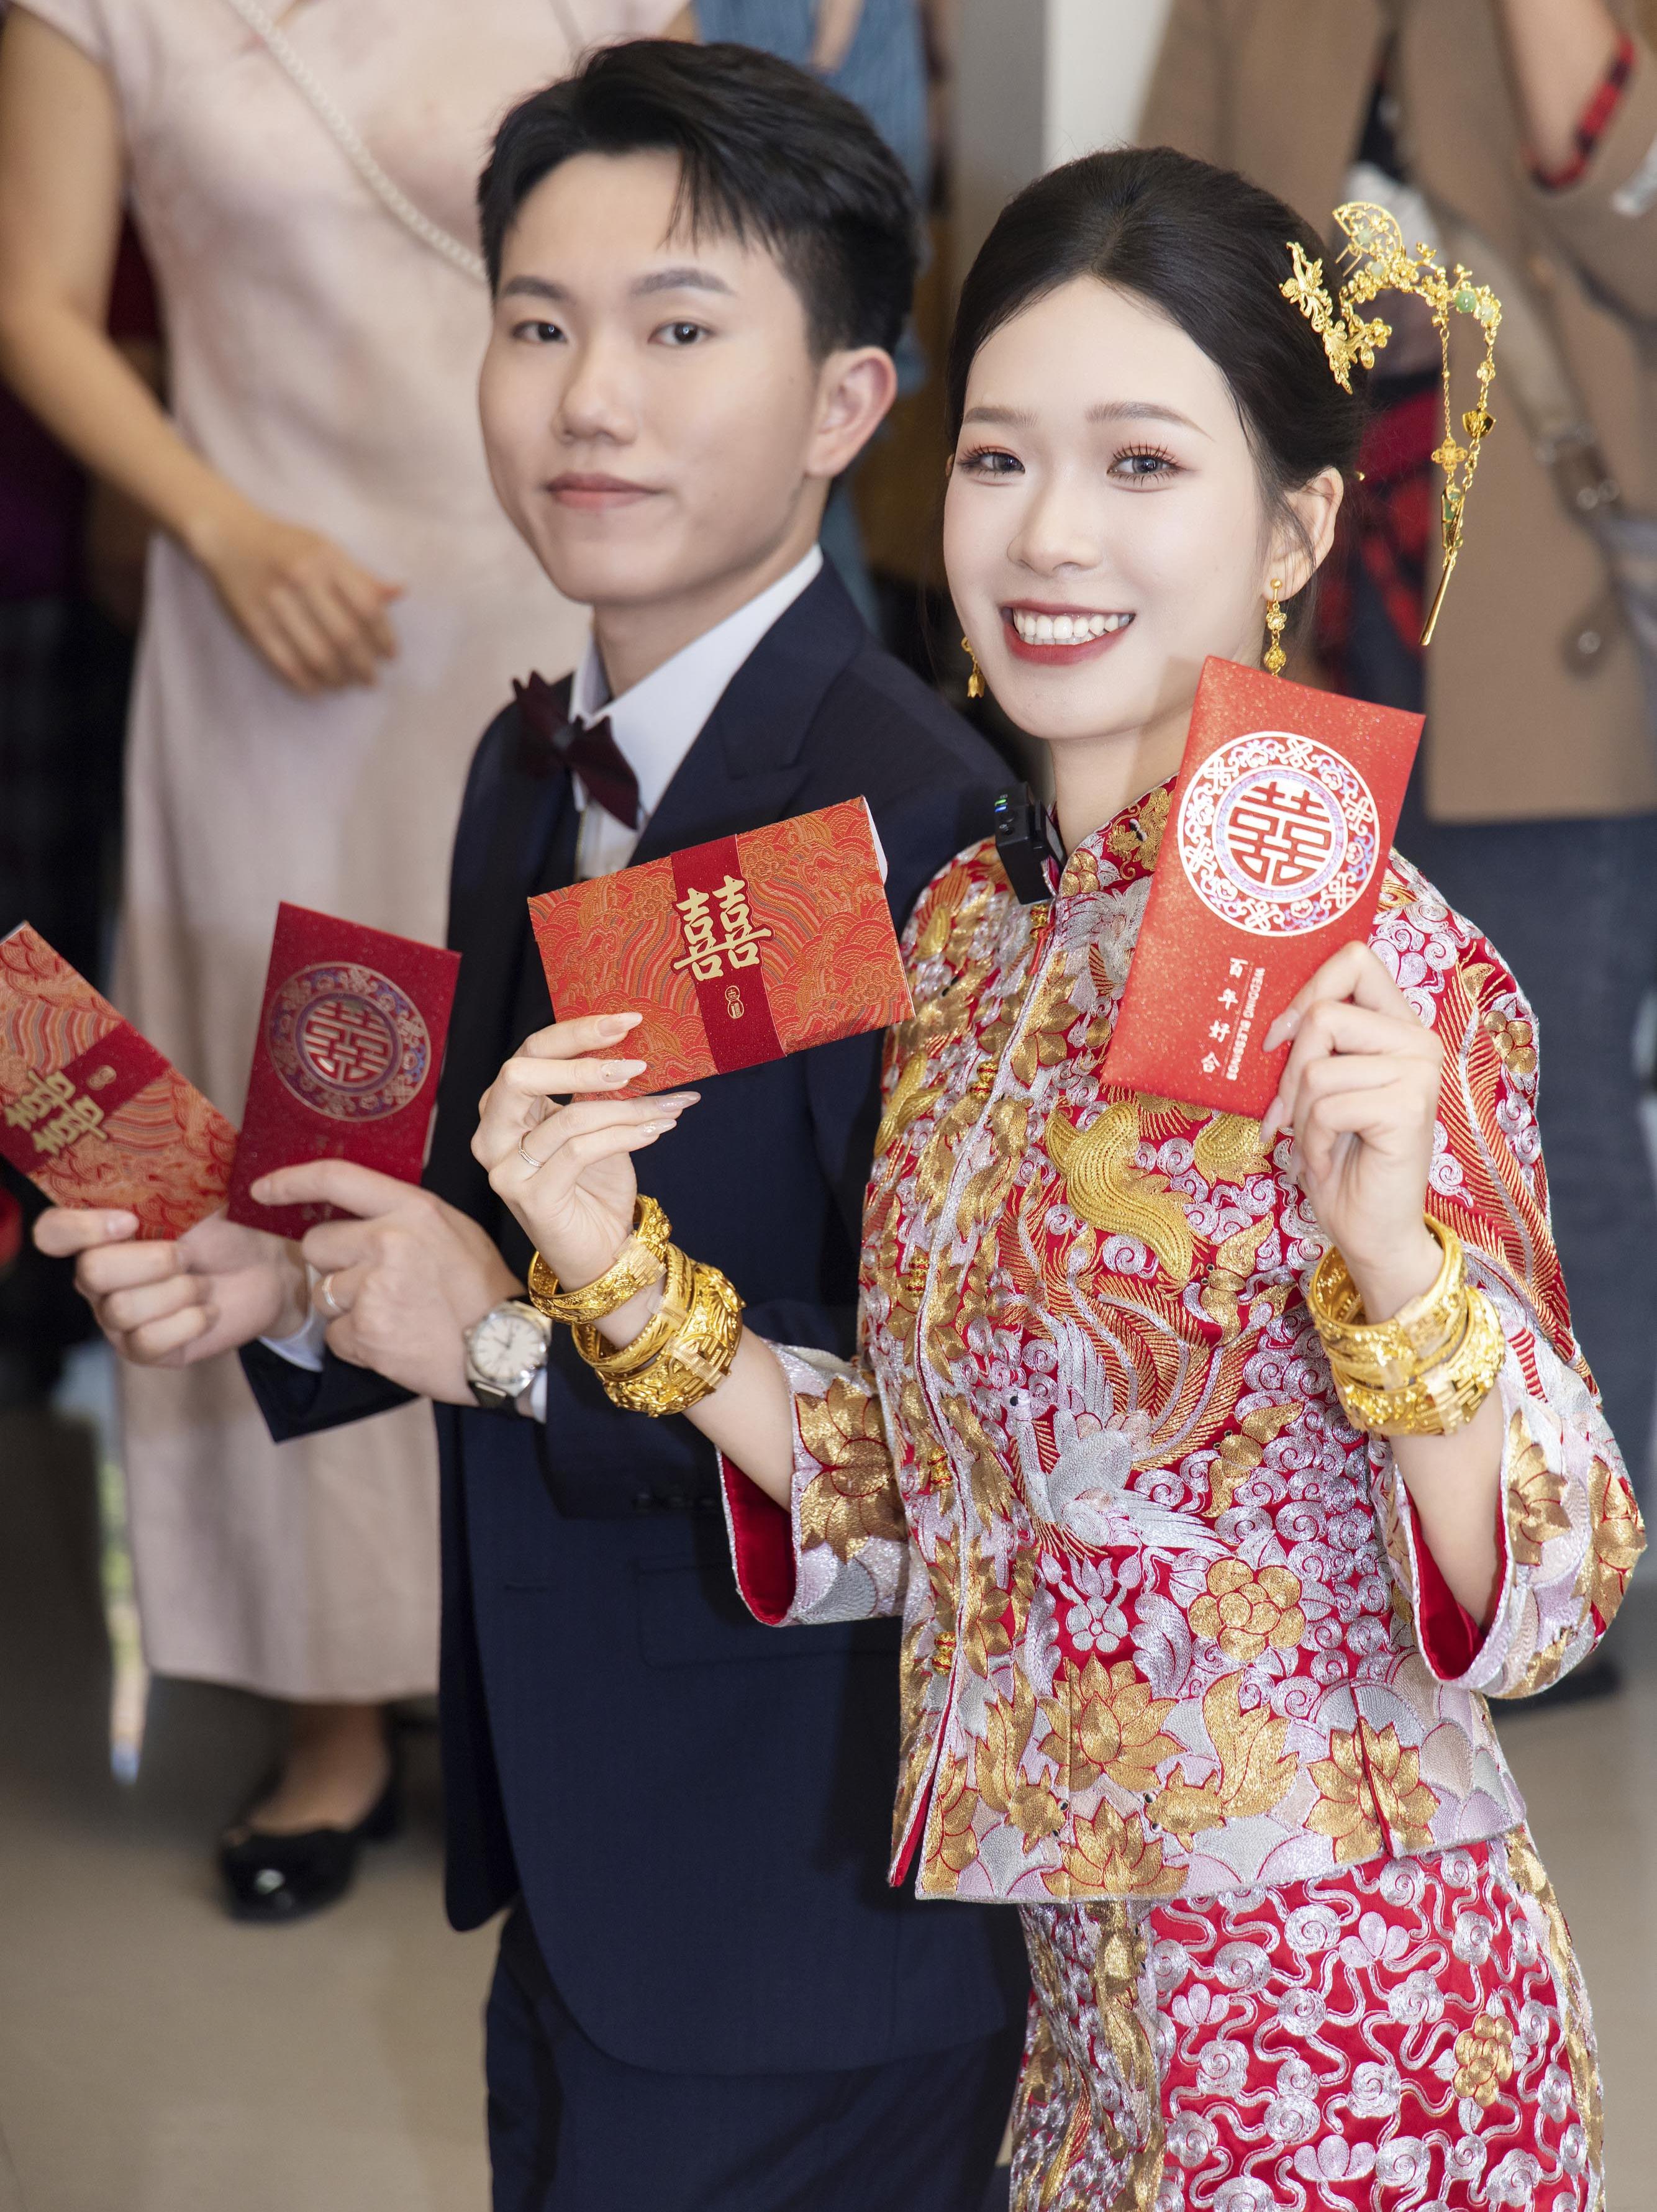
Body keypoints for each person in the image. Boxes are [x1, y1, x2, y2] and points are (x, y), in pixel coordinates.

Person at [473, 145, 1646, 2206]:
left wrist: (1391, 1265)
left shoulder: (1373, 962)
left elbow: (1552, 1582)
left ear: (1292, 526)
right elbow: (949, 1508)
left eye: (1139, 464)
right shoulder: (967, 942)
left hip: (1349, 2028)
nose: (1046, 534)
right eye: (998, 456)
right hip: (1080, 2031)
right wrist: (613, 1269)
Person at [37, 42, 1026, 2210]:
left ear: (847, 404)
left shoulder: (907, 827)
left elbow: (951, 1441)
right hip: (578, 1854)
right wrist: (281, 1272)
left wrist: (494, 1337)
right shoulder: (532, 762)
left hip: (811, 1900)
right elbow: (461, 1214)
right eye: (536, 324)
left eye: (678, 331)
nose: (590, 400)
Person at [0, 0, 688, 1911]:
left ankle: (553, 1637)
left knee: (558, 1118)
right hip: (272, 632)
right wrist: (217, 531)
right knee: (286, 1147)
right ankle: (326, 1699)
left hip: (552, 600)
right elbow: (34, 299)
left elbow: (699, 261)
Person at [1143, 0, 1657, 1522]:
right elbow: (1159, 260)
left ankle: (1572, 1553)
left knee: (1546, 1125)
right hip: (1296, 624)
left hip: (1537, 641)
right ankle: (1329, 1547)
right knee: (1257, 1108)